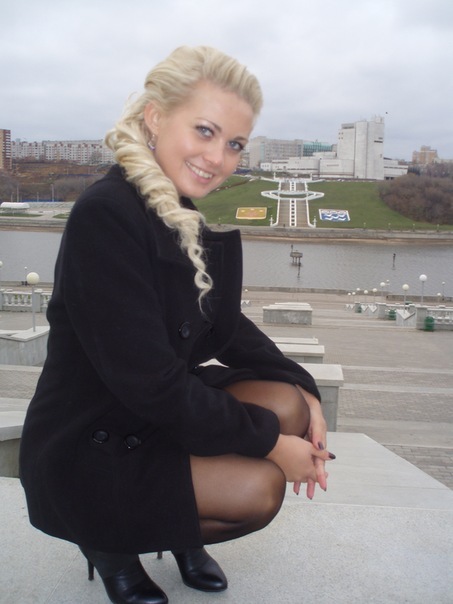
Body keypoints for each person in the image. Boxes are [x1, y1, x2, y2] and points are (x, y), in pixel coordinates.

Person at [19, 46, 334, 604]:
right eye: (205, 131)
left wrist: (305, 389)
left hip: (148, 411)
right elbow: (152, 384)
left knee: (286, 402)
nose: (218, 157)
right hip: (92, 434)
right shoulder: (106, 214)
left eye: (234, 144)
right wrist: (271, 446)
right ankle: (111, 549)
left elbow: (223, 323)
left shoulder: (173, 206)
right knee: (260, 489)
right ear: (155, 117)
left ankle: (176, 523)